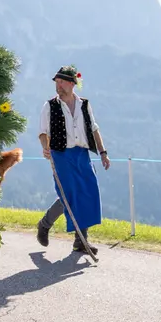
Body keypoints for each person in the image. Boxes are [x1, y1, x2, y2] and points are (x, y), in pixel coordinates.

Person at [35, 65, 111, 255]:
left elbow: (94, 129)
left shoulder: (84, 104)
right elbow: (43, 132)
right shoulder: (50, 105)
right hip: (61, 154)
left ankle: (79, 241)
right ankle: (48, 226)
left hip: (82, 154)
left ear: (71, 83)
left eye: (61, 82)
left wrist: (103, 152)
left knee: (88, 192)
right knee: (69, 195)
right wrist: (46, 147)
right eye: (56, 82)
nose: (57, 86)